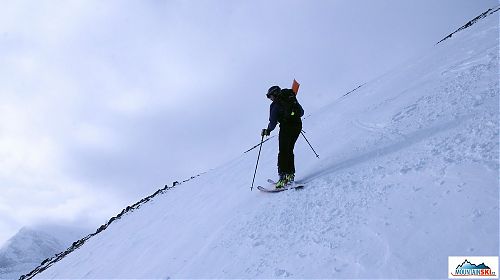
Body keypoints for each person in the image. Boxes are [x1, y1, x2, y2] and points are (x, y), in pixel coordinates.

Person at [262, 85, 304, 188]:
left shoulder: (275, 105)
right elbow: (301, 112)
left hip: (286, 129)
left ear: (275, 94)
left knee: (283, 152)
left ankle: (283, 178)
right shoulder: (290, 97)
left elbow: (273, 122)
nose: (270, 99)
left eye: (270, 96)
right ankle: (290, 175)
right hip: (297, 126)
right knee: (289, 150)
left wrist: (267, 130)